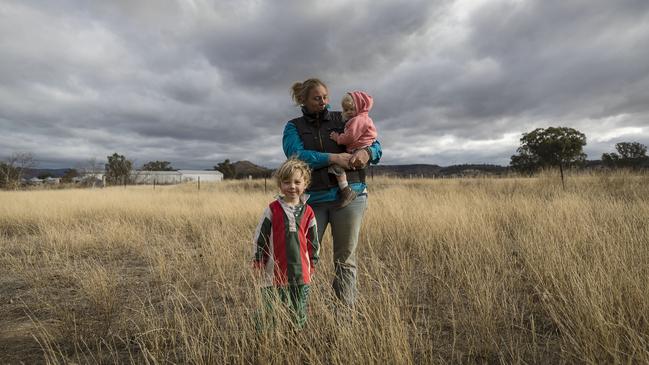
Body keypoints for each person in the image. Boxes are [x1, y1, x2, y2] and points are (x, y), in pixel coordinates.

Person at [282, 78, 382, 308]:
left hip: (351, 195)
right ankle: (297, 315)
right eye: (317, 98)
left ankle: (343, 319)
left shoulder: (344, 117)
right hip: (313, 199)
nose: (324, 102)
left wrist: (368, 152)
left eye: (326, 97)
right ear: (303, 100)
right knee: (302, 257)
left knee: (345, 261)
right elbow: (296, 155)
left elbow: (376, 144)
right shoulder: (293, 126)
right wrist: (332, 158)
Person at [252, 157, 319, 329]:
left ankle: (295, 336)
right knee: (269, 310)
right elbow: (261, 236)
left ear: (305, 184)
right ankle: (265, 337)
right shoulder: (272, 209)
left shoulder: (308, 212)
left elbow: (313, 241)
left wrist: (313, 263)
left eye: (297, 182)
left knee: (298, 310)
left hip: (301, 272)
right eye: (286, 182)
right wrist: (258, 260)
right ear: (280, 184)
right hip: (273, 272)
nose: (292, 186)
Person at [328, 91, 378, 208]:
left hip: (358, 151)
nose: (349, 112)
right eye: (346, 110)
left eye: (352, 109)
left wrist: (338, 138)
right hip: (359, 149)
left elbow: (350, 137)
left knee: (336, 167)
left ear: (360, 107)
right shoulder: (361, 118)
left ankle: (346, 191)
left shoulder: (358, 120)